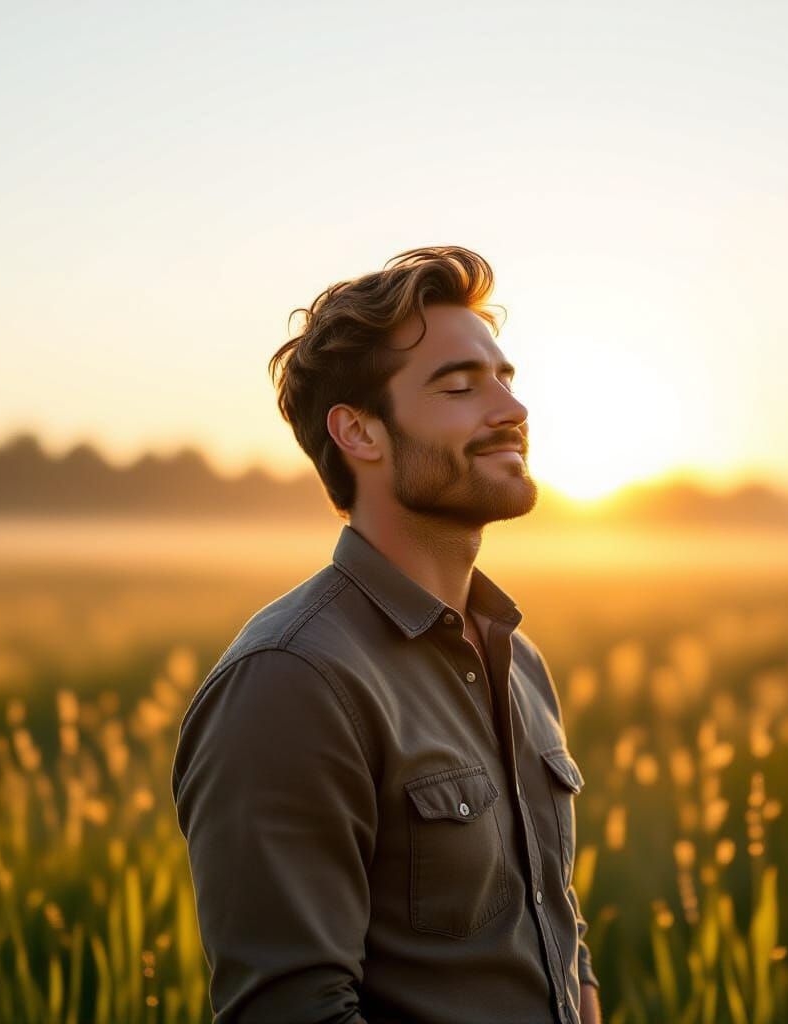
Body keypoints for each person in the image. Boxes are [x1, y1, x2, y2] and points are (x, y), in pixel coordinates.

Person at [171, 246, 602, 1023]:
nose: (511, 409)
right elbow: (293, 1011)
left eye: (505, 379)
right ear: (359, 433)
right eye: (460, 386)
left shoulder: (519, 661)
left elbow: (559, 935)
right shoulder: (292, 680)